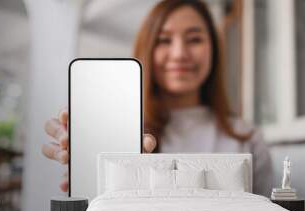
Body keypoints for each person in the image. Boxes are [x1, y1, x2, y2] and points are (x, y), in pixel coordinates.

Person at [42, 0, 273, 197]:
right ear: (147, 48)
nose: (179, 53)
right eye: (164, 40)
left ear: (214, 49)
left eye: (194, 39)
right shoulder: (122, 129)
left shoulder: (247, 138)